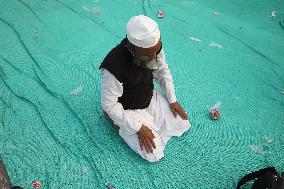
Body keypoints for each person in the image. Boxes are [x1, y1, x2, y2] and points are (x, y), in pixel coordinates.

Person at [99, 15, 191, 162]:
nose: (155, 57)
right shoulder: (113, 66)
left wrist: (172, 99)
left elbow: (162, 70)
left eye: (157, 50)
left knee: (182, 121)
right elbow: (109, 105)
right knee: (153, 153)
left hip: (147, 97)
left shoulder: (153, 48)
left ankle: (150, 124)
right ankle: (118, 126)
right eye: (148, 55)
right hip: (127, 110)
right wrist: (138, 127)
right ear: (131, 49)